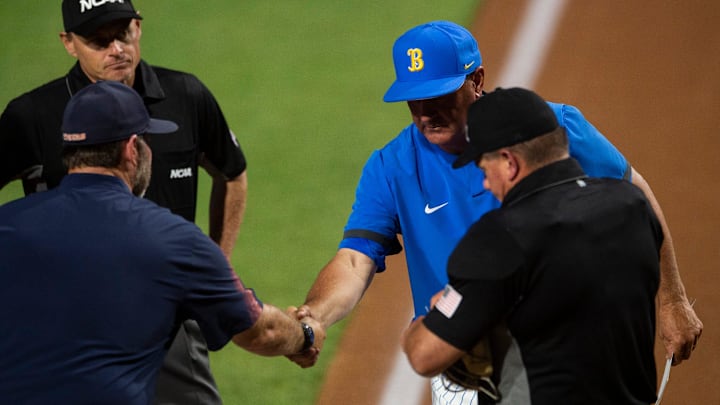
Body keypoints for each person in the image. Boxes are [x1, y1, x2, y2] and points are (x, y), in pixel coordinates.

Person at [291, 20, 702, 404]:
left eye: (438, 96)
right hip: (464, 357)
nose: (424, 112)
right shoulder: (392, 165)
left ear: (477, 80)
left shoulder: (547, 127)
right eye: (413, 99)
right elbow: (354, 259)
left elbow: (633, 194)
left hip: (559, 341)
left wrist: (672, 300)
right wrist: (317, 316)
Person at [0, 81, 324, 405]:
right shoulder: (174, 240)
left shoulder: (8, 223)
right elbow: (260, 332)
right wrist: (304, 336)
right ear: (131, 149)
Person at [0, 1, 248, 403]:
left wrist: (218, 268)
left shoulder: (185, 95)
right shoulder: (31, 116)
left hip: (168, 308)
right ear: (69, 43)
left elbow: (232, 172)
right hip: (65, 316)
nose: (116, 49)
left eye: (123, 34)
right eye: (99, 40)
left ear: (138, 27)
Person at [402, 87, 663, 404]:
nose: (485, 182)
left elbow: (424, 356)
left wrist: (431, 316)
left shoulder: (500, 238)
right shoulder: (631, 206)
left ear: (509, 163)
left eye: (485, 168)